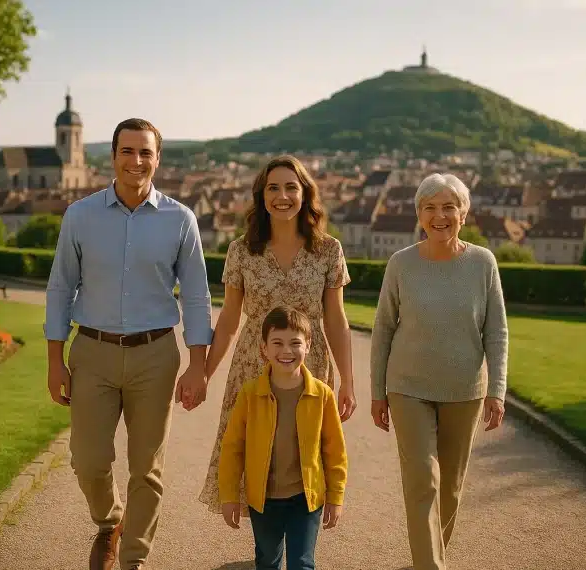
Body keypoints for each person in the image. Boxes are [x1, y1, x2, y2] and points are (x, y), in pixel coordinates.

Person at [44, 118, 213, 570]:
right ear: (113, 156)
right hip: (92, 352)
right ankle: (109, 521)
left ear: (157, 159)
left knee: (147, 468)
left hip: (155, 354)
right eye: (127, 151)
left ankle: (133, 558)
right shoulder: (80, 215)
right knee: (89, 460)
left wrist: (198, 365)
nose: (136, 161)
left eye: (145, 153)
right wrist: (54, 361)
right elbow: (60, 288)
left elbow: (197, 295)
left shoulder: (181, 219)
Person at [198, 154, 356, 516]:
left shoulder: (328, 250)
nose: (281, 196)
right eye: (273, 188)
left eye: (290, 187)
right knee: (253, 447)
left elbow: (335, 319)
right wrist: (205, 371)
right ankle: (266, 539)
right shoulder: (242, 249)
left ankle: (301, 536)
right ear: (261, 195)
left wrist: (347, 381)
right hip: (254, 361)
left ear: (305, 194)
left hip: (309, 362)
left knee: (304, 448)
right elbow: (230, 317)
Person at [369, 173, 509, 570]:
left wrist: (497, 390)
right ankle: (431, 566)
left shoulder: (483, 263)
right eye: (430, 207)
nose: (440, 215)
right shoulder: (401, 264)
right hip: (407, 387)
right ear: (419, 215)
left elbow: (496, 331)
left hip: (465, 390)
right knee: (422, 480)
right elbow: (382, 330)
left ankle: (430, 557)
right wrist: (378, 392)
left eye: (449, 206)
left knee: (450, 488)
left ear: (463, 213)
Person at [219, 306, 348, 570]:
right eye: (277, 342)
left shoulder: (323, 396)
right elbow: (233, 448)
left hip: (306, 498)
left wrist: (336, 497)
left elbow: (335, 451)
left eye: (295, 343)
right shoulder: (250, 394)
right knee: (267, 561)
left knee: (302, 563)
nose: (286, 351)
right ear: (264, 348)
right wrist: (229, 494)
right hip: (264, 499)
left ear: (309, 346)